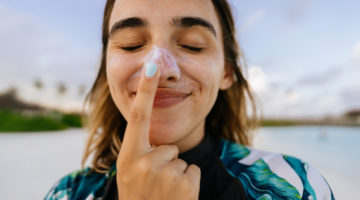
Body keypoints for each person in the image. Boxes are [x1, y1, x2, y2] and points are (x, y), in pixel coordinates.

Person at [45, 0, 335, 199]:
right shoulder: (68, 193)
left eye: (192, 46)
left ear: (226, 72)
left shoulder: (296, 186)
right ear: (106, 69)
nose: (159, 70)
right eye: (132, 44)